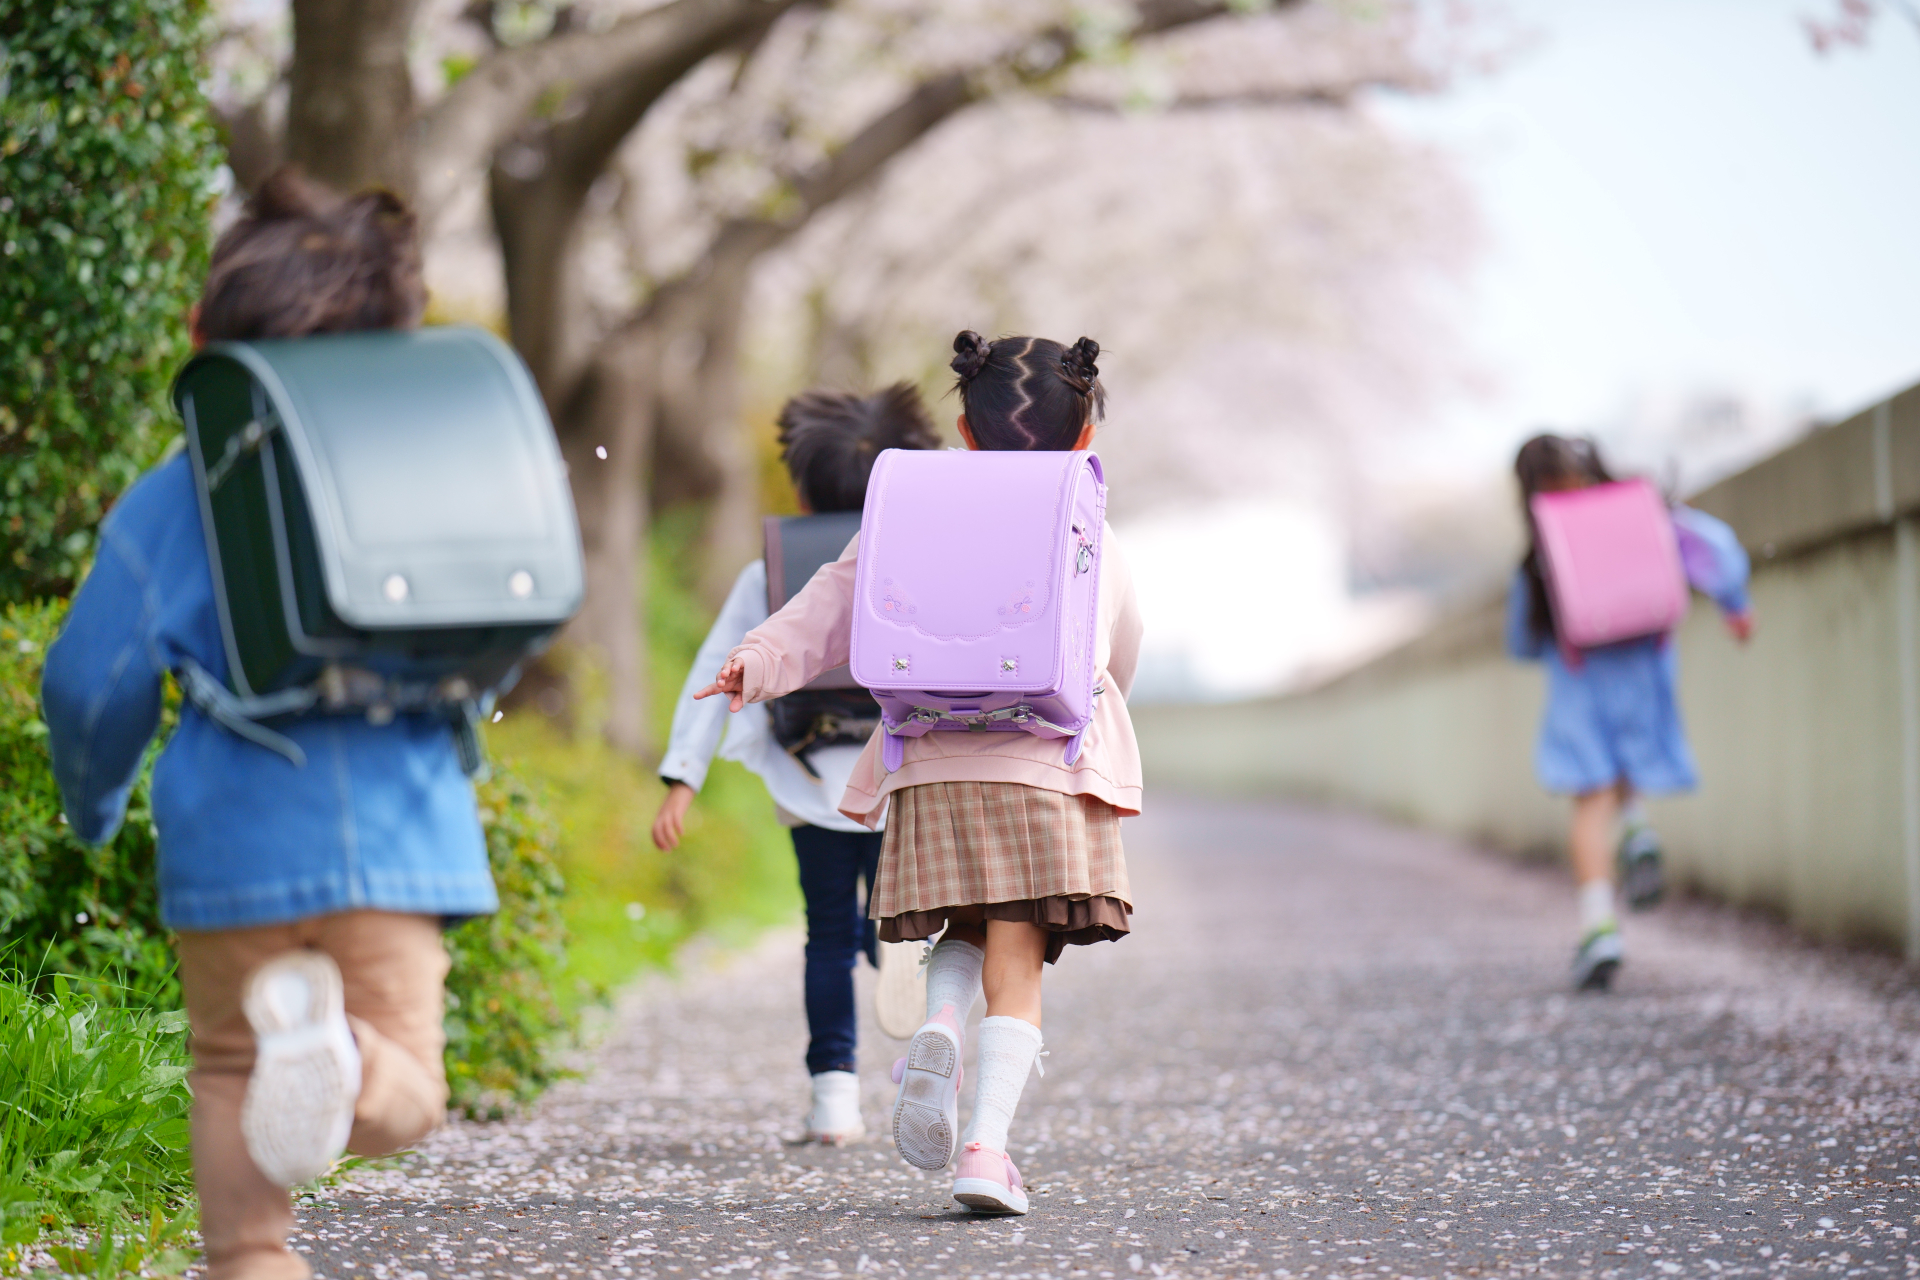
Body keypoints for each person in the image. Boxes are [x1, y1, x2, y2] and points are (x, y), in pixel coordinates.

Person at [40, 169, 496, 1280]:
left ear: (207, 339)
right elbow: (499, 632)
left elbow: (89, 682)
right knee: (410, 1095)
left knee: (231, 1066)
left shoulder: (177, 489)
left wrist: (94, 804)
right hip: (398, 834)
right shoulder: (433, 472)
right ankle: (341, 1057)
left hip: (231, 835)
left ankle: (250, 1257)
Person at [697, 331, 1145, 1216]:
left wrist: (761, 658)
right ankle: (985, 1152)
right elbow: (1112, 657)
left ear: (963, 432)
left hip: (931, 756)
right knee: (1017, 959)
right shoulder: (1090, 527)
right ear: (1085, 433)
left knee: (963, 930)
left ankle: (939, 1025)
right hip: (1042, 762)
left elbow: (831, 601)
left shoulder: (905, 510)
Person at [652, 383, 940, 1144]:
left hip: (810, 779)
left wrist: (683, 777)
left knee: (825, 937)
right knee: (902, 916)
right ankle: (906, 980)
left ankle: (833, 1102)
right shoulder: (923, 556)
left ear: (806, 479)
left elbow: (716, 672)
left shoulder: (773, 571)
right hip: (898, 774)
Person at [1507, 433, 1752, 991]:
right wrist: (1735, 603)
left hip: (1577, 681)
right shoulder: (1640, 509)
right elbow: (1712, 547)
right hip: (1644, 668)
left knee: (1589, 800)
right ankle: (1638, 827)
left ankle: (1599, 928)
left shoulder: (1540, 550)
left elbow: (1521, 641)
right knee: (1629, 763)